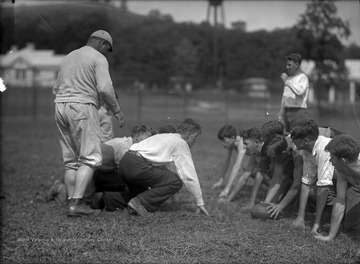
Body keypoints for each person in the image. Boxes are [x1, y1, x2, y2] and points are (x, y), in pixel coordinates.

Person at [53, 30, 125, 217]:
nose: (106, 53)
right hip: (82, 106)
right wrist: (116, 111)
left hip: (60, 105)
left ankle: (71, 201)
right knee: (90, 158)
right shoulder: (98, 58)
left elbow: (56, 87)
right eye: (107, 49)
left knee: (71, 161)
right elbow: (105, 88)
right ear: (102, 43)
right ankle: (77, 205)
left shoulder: (69, 57)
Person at [46, 124, 155, 209]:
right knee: (87, 201)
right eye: (148, 138)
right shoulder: (125, 147)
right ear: (137, 136)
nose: (149, 142)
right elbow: (127, 172)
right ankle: (60, 188)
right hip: (92, 172)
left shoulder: (125, 143)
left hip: (99, 172)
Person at [118, 118, 210, 217]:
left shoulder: (167, 137)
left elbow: (164, 171)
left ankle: (127, 203)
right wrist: (200, 202)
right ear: (188, 135)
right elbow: (188, 175)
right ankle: (139, 202)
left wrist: (175, 200)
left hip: (124, 162)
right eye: (195, 136)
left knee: (145, 190)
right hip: (136, 166)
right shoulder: (181, 143)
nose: (196, 140)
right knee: (176, 181)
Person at [290, 119, 336, 235]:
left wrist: (315, 225)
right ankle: (325, 212)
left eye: (294, 139)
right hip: (335, 182)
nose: (292, 141)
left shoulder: (324, 148)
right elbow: (306, 181)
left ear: (305, 140)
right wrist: (300, 217)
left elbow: (324, 186)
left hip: (351, 183)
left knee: (321, 190)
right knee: (311, 190)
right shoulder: (306, 149)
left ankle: (327, 216)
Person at [315, 134, 360, 242]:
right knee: (350, 226)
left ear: (343, 161)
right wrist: (330, 236)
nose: (330, 160)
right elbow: (340, 200)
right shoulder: (342, 170)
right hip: (356, 188)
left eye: (332, 157)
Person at [211, 124, 257, 199]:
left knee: (249, 169)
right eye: (221, 141)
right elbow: (226, 161)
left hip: (262, 158)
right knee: (247, 168)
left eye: (224, 140)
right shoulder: (231, 144)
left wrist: (227, 188)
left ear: (232, 138)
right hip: (256, 158)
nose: (222, 144)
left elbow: (237, 166)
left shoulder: (241, 142)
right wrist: (220, 180)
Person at [263, 134, 303, 219]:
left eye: (273, 158)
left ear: (283, 153)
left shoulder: (297, 153)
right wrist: (266, 202)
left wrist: (280, 206)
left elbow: (297, 185)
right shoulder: (279, 145)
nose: (272, 161)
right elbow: (277, 178)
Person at [278, 53, 314, 133]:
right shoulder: (289, 79)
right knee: (287, 136)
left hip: (298, 112)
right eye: (287, 65)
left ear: (297, 65)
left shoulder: (303, 78)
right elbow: (284, 98)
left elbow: (300, 91)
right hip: (287, 112)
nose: (287, 67)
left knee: (298, 136)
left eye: (289, 65)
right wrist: (281, 114)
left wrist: (287, 82)